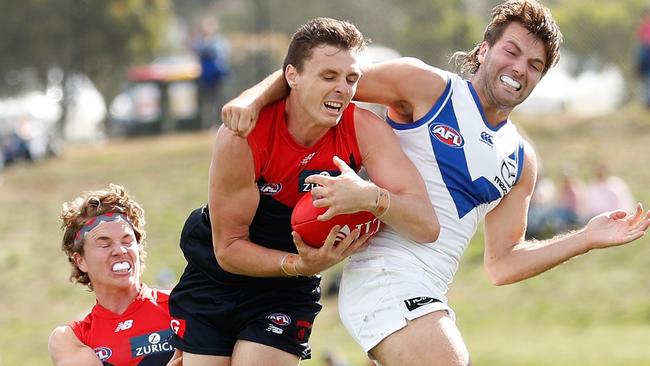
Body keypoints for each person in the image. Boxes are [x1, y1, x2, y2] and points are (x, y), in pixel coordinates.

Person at [220, 1, 650, 365]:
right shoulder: (427, 86)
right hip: (382, 275)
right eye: (512, 51)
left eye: (534, 65)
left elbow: (502, 263)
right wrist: (251, 99)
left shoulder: (521, 159)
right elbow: (326, 77)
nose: (519, 69)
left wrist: (586, 238)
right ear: (484, 50)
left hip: (429, 292)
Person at [168, 17, 438, 366]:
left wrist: (370, 197)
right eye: (329, 76)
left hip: (284, 292)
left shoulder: (364, 130)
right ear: (291, 77)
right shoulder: (244, 136)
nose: (343, 89)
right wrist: (298, 264)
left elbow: (426, 225)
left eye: (351, 79)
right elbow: (228, 248)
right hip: (216, 278)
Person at [48, 184, 179, 366]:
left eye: (127, 241)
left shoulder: (181, 306)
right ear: (81, 261)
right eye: (105, 244)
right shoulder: (73, 338)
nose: (120, 250)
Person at [191, 17, 231, 128]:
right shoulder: (200, 42)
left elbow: (222, 55)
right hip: (205, 78)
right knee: (207, 104)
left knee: (220, 102)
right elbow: (197, 51)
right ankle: (208, 125)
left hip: (218, 77)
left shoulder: (219, 41)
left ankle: (223, 124)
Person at [637, 7, 650, 108]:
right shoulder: (642, 27)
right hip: (645, 54)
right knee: (646, 80)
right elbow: (641, 42)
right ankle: (647, 102)